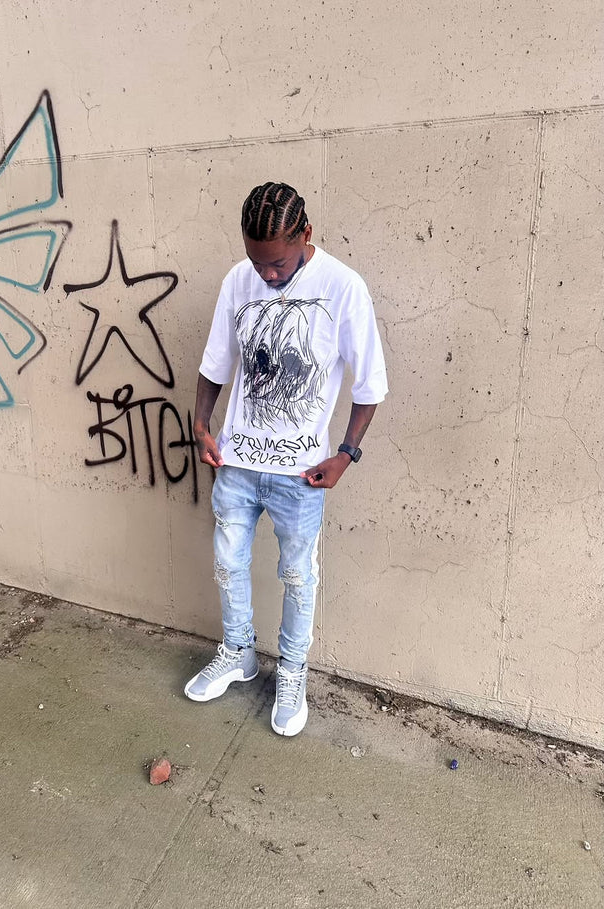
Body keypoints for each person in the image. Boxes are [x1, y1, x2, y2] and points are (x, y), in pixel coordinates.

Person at [185, 182, 388, 736]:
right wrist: (201, 426)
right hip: (237, 462)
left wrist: (345, 455)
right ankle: (238, 653)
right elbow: (215, 363)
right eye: (257, 262)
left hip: (301, 473)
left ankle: (292, 671)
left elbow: (370, 384)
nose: (267, 275)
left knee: (298, 575)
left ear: (306, 235)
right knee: (228, 562)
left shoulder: (343, 287)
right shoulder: (238, 279)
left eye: (277, 264)